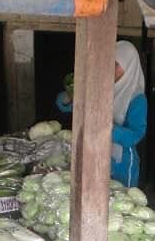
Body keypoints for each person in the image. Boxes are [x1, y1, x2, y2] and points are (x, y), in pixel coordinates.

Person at [56, 40, 147, 187]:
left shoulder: (137, 99)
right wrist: (69, 98)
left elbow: (136, 134)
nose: (111, 68)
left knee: (120, 197)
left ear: (129, 67)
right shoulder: (102, 88)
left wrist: (107, 128)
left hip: (122, 163)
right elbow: (72, 106)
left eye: (116, 65)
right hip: (96, 155)